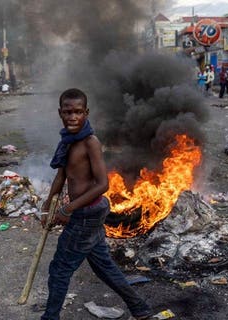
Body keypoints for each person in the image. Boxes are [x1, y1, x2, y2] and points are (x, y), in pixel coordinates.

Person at [40, 88, 152, 320]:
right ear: (60, 113)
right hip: (86, 213)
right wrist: (48, 205)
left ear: (86, 113)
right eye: (68, 112)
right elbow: (61, 176)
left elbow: (103, 185)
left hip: (86, 214)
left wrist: (66, 209)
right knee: (105, 268)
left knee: (59, 271)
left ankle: (49, 318)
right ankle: (140, 308)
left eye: (78, 112)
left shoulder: (90, 142)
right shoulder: (68, 141)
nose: (73, 117)